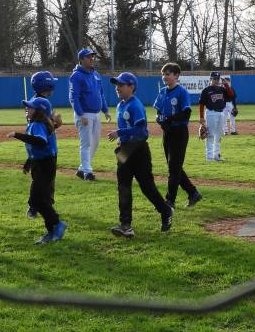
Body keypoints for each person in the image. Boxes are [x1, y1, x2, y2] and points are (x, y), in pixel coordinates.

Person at [106, 72, 174, 238]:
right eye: (116, 85)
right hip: (125, 150)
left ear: (131, 87)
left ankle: (165, 211)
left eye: (121, 85)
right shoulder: (121, 105)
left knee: (147, 187)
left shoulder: (135, 105)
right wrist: (121, 140)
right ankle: (125, 225)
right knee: (123, 186)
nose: (117, 88)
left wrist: (119, 132)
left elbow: (141, 130)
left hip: (139, 150)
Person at [8, 96, 66, 245]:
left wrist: (17, 135)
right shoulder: (37, 123)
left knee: (37, 200)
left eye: (31, 107)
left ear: (40, 111)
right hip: (41, 163)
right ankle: (51, 231)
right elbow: (36, 147)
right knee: (41, 199)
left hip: (44, 165)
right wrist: (29, 162)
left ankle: (57, 224)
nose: (27, 109)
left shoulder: (37, 125)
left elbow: (41, 142)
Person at [153, 62, 203, 209]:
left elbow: (186, 113)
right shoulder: (162, 91)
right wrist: (161, 121)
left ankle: (170, 201)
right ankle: (193, 193)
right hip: (167, 132)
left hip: (179, 132)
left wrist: (169, 119)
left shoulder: (182, 92)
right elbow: (158, 112)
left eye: (167, 74)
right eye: (163, 74)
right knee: (174, 166)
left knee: (173, 168)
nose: (164, 77)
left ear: (176, 75)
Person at [69, 48, 111, 181]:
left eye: (93, 56)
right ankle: (88, 173)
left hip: (96, 113)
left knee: (95, 143)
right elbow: (73, 97)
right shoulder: (76, 76)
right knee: (86, 144)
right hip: (84, 114)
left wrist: (105, 110)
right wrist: (80, 114)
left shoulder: (95, 74)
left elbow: (101, 94)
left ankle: (82, 169)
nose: (92, 59)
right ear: (81, 60)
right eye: (88, 57)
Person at [27, 70, 63, 219]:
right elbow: (43, 129)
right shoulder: (39, 104)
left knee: (43, 180)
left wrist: (53, 122)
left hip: (43, 148)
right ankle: (36, 207)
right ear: (46, 86)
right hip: (44, 149)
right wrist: (55, 123)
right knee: (42, 180)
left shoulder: (38, 102)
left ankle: (45, 205)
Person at [198, 71, 227, 161]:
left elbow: (232, 95)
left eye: (218, 79)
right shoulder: (206, 90)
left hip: (221, 113)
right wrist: (201, 117)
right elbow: (201, 104)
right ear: (210, 79)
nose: (216, 80)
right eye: (214, 79)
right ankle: (209, 157)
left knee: (218, 135)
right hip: (211, 113)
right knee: (210, 135)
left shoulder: (222, 89)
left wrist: (226, 84)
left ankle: (216, 155)